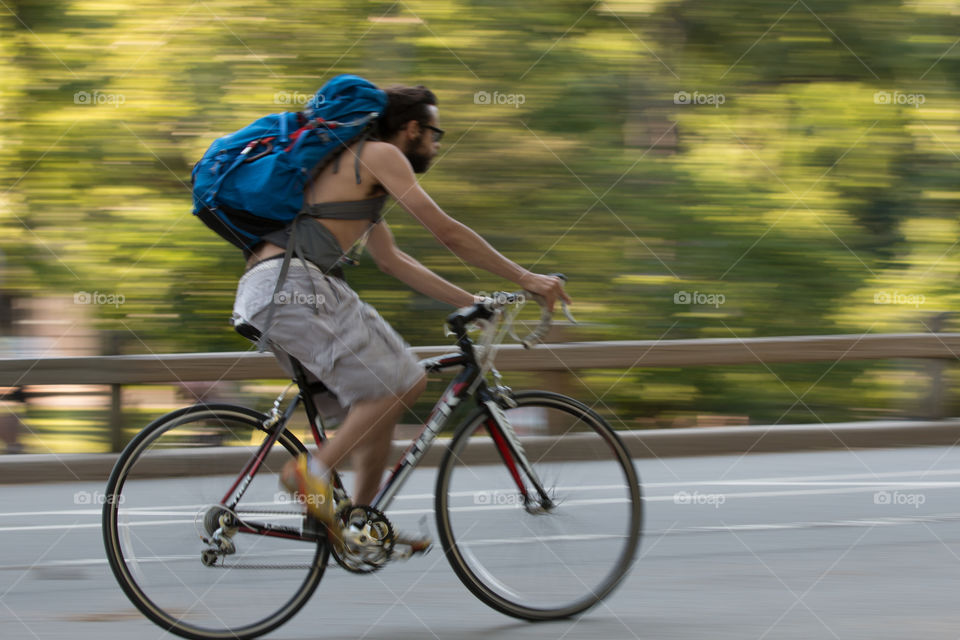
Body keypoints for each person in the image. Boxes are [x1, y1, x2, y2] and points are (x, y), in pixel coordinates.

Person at [232, 84, 571, 553]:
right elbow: (446, 232)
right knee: (404, 380)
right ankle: (310, 472)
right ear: (411, 128)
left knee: (380, 400)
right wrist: (526, 278)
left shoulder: (348, 172)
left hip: (267, 294)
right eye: (435, 133)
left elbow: (394, 261)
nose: (435, 144)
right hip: (298, 289)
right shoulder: (378, 154)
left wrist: (474, 301)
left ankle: (358, 527)